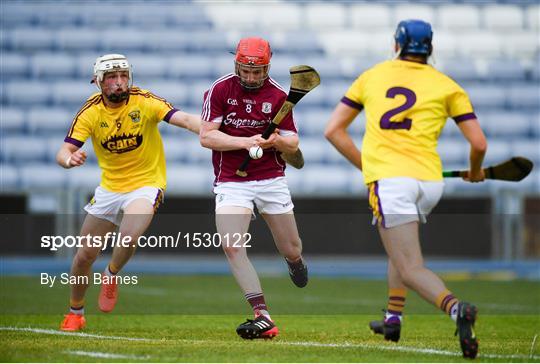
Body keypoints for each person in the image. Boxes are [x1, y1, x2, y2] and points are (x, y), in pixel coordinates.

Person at [325, 20, 487, 359]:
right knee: (399, 251)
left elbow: (334, 131)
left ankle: (457, 309)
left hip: (391, 182)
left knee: (411, 265)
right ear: (430, 47)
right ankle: (393, 318)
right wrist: (473, 171)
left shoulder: (373, 75)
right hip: (429, 183)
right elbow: (479, 143)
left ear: (396, 45)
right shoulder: (447, 85)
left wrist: (369, 167)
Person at [57, 54, 201, 331]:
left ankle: (111, 275)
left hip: (146, 184)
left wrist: (205, 129)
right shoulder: (90, 111)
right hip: (110, 189)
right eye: (112, 77)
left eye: (123, 76)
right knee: (85, 255)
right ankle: (75, 312)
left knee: (129, 235)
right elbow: (64, 150)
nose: (119, 83)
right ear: (98, 81)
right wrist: (68, 160)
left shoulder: (144, 100)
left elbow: (181, 118)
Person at [199, 37, 308, 340]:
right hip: (232, 179)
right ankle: (263, 315)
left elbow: (293, 143)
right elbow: (207, 137)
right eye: (245, 71)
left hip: (271, 177)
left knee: (291, 247)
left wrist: (273, 140)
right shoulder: (220, 90)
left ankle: (295, 262)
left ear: (266, 68)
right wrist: (245, 141)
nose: (249, 77)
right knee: (232, 245)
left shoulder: (278, 95)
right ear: (236, 64)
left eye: (256, 72)